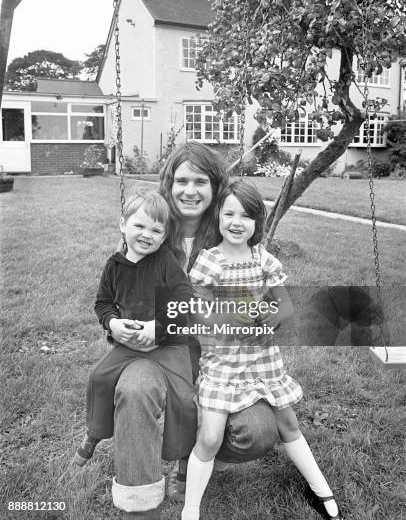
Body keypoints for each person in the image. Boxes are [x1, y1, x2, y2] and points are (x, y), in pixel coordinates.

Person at [111, 142, 281, 520]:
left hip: (220, 357)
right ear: (168, 184)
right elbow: (120, 295)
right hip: (156, 352)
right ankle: (140, 508)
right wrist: (118, 325)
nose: (190, 190)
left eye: (200, 181)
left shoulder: (230, 232)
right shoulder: (149, 227)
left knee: (258, 431)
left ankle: (197, 457)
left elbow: (260, 301)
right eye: (181, 180)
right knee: (135, 389)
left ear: (216, 186)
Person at [181, 180, 343, 520]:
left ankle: (321, 492)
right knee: (210, 436)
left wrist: (264, 321)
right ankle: (190, 509)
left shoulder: (262, 259)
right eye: (229, 213)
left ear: (258, 222)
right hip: (223, 361)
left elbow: (284, 307)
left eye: (247, 216)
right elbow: (197, 313)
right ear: (218, 217)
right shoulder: (209, 261)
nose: (236, 222)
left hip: (262, 356)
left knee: (288, 423)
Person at [74, 192, 196, 469]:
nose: (146, 235)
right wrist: (114, 324)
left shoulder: (165, 261)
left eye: (156, 230)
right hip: (130, 343)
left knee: (184, 399)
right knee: (99, 377)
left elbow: (185, 298)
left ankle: (183, 461)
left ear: (164, 237)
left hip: (169, 344)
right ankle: (94, 433)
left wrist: (160, 327)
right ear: (123, 225)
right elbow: (103, 302)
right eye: (139, 226)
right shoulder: (114, 266)